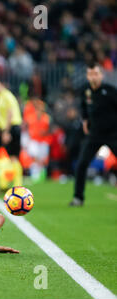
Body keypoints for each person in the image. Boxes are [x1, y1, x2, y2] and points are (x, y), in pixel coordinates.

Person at [69, 61, 117, 206]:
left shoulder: (110, 91)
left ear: (101, 75)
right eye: (90, 74)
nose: (93, 77)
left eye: (96, 73)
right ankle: (78, 198)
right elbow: (84, 107)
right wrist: (84, 120)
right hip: (94, 134)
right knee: (82, 164)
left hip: (113, 134)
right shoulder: (85, 90)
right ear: (87, 76)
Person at [0, 79, 24, 193]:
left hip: (12, 127)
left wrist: (7, 131)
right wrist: (0, 130)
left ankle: (17, 186)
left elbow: (10, 113)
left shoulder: (7, 96)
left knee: (13, 157)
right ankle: (3, 184)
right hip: (4, 128)